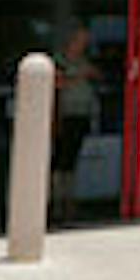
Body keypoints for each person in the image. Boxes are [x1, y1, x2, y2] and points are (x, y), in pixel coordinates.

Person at [50, 24, 102, 224]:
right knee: (60, 158)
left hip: (82, 114)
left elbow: (98, 75)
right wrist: (80, 75)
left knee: (72, 158)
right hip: (65, 114)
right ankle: (56, 202)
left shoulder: (84, 60)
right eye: (80, 40)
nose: (83, 45)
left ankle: (69, 201)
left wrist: (91, 73)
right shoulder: (59, 60)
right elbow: (57, 83)